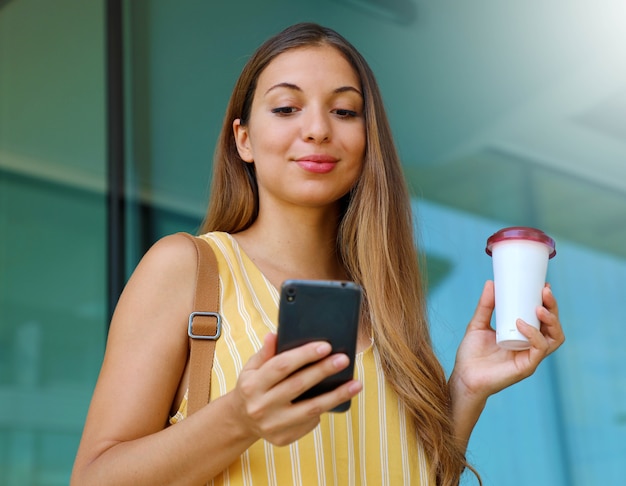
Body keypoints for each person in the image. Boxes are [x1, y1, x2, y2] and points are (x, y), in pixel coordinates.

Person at [71, 22, 564, 486]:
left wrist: (467, 390)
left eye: (344, 111)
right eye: (286, 108)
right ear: (243, 139)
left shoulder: (386, 304)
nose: (318, 130)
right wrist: (240, 418)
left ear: (368, 140)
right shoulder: (190, 268)